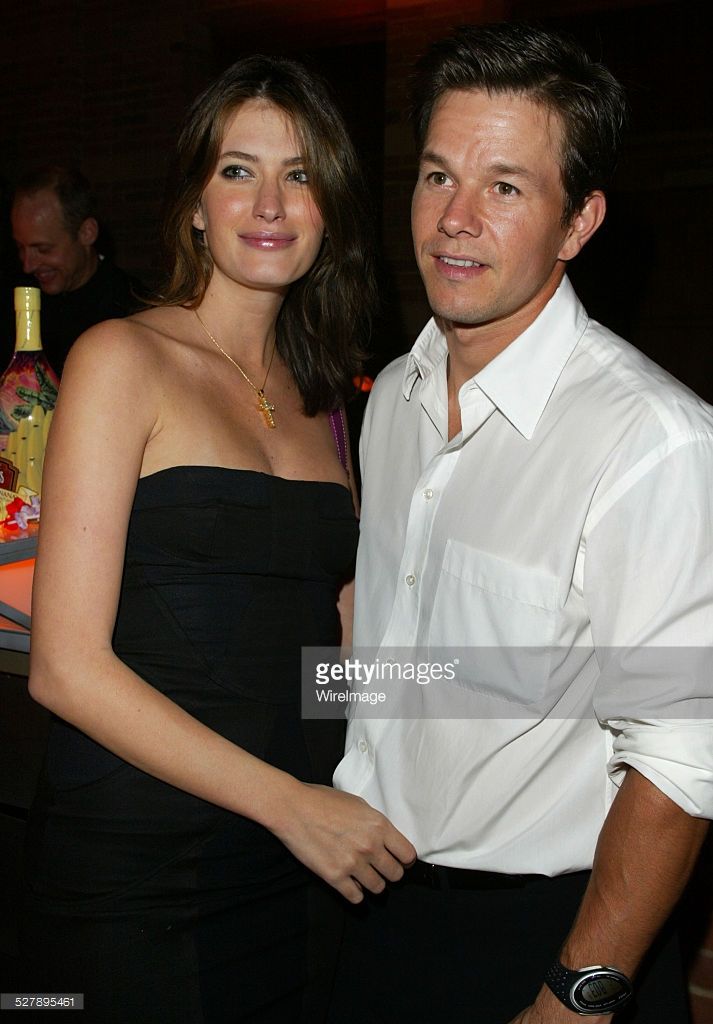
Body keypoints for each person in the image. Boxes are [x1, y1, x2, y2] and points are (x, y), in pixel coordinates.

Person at [330, 22, 713, 1024]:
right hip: (370, 910)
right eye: (434, 176)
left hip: (548, 941)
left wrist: (574, 999)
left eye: (503, 186)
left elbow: (681, 759)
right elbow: (426, 659)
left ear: (576, 221)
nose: (453, 218)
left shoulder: (653, 442)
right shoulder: (390, 400)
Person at [21, 56, 415, 1024]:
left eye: (301, 173)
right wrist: (289, 802)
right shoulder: (122, 356)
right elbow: (64, 667)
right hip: (143, 858)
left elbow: (341, 654)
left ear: (330, 209)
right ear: (194, 201)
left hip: (297, 854)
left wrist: (523, 678)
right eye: (238, 170)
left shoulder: (326, 397)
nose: (270, 202)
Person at [10, 166, 141, 375]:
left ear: (87, 233)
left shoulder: (132, 310)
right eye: (20, 248)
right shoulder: (17, 300)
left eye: (43, 249)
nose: (28, 265)